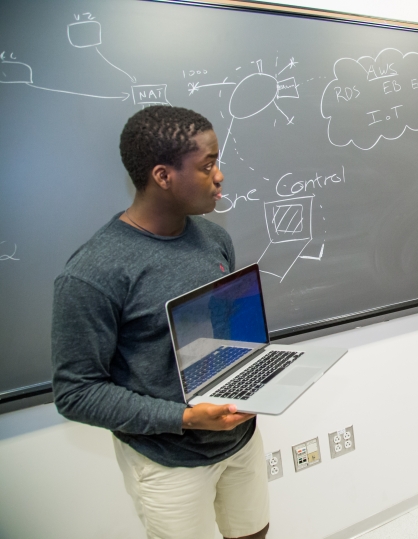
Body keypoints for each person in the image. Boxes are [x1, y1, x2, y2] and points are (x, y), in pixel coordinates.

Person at [51, 106, 269, 539]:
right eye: (208, 166)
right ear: (163, 176)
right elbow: (76, 392)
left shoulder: (214, 239)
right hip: (167, 460)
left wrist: (263, 369)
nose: (220, 176)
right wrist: (186, 418)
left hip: (239, 436)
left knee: (253, 533)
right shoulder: (93, 274)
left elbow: (224, 327)